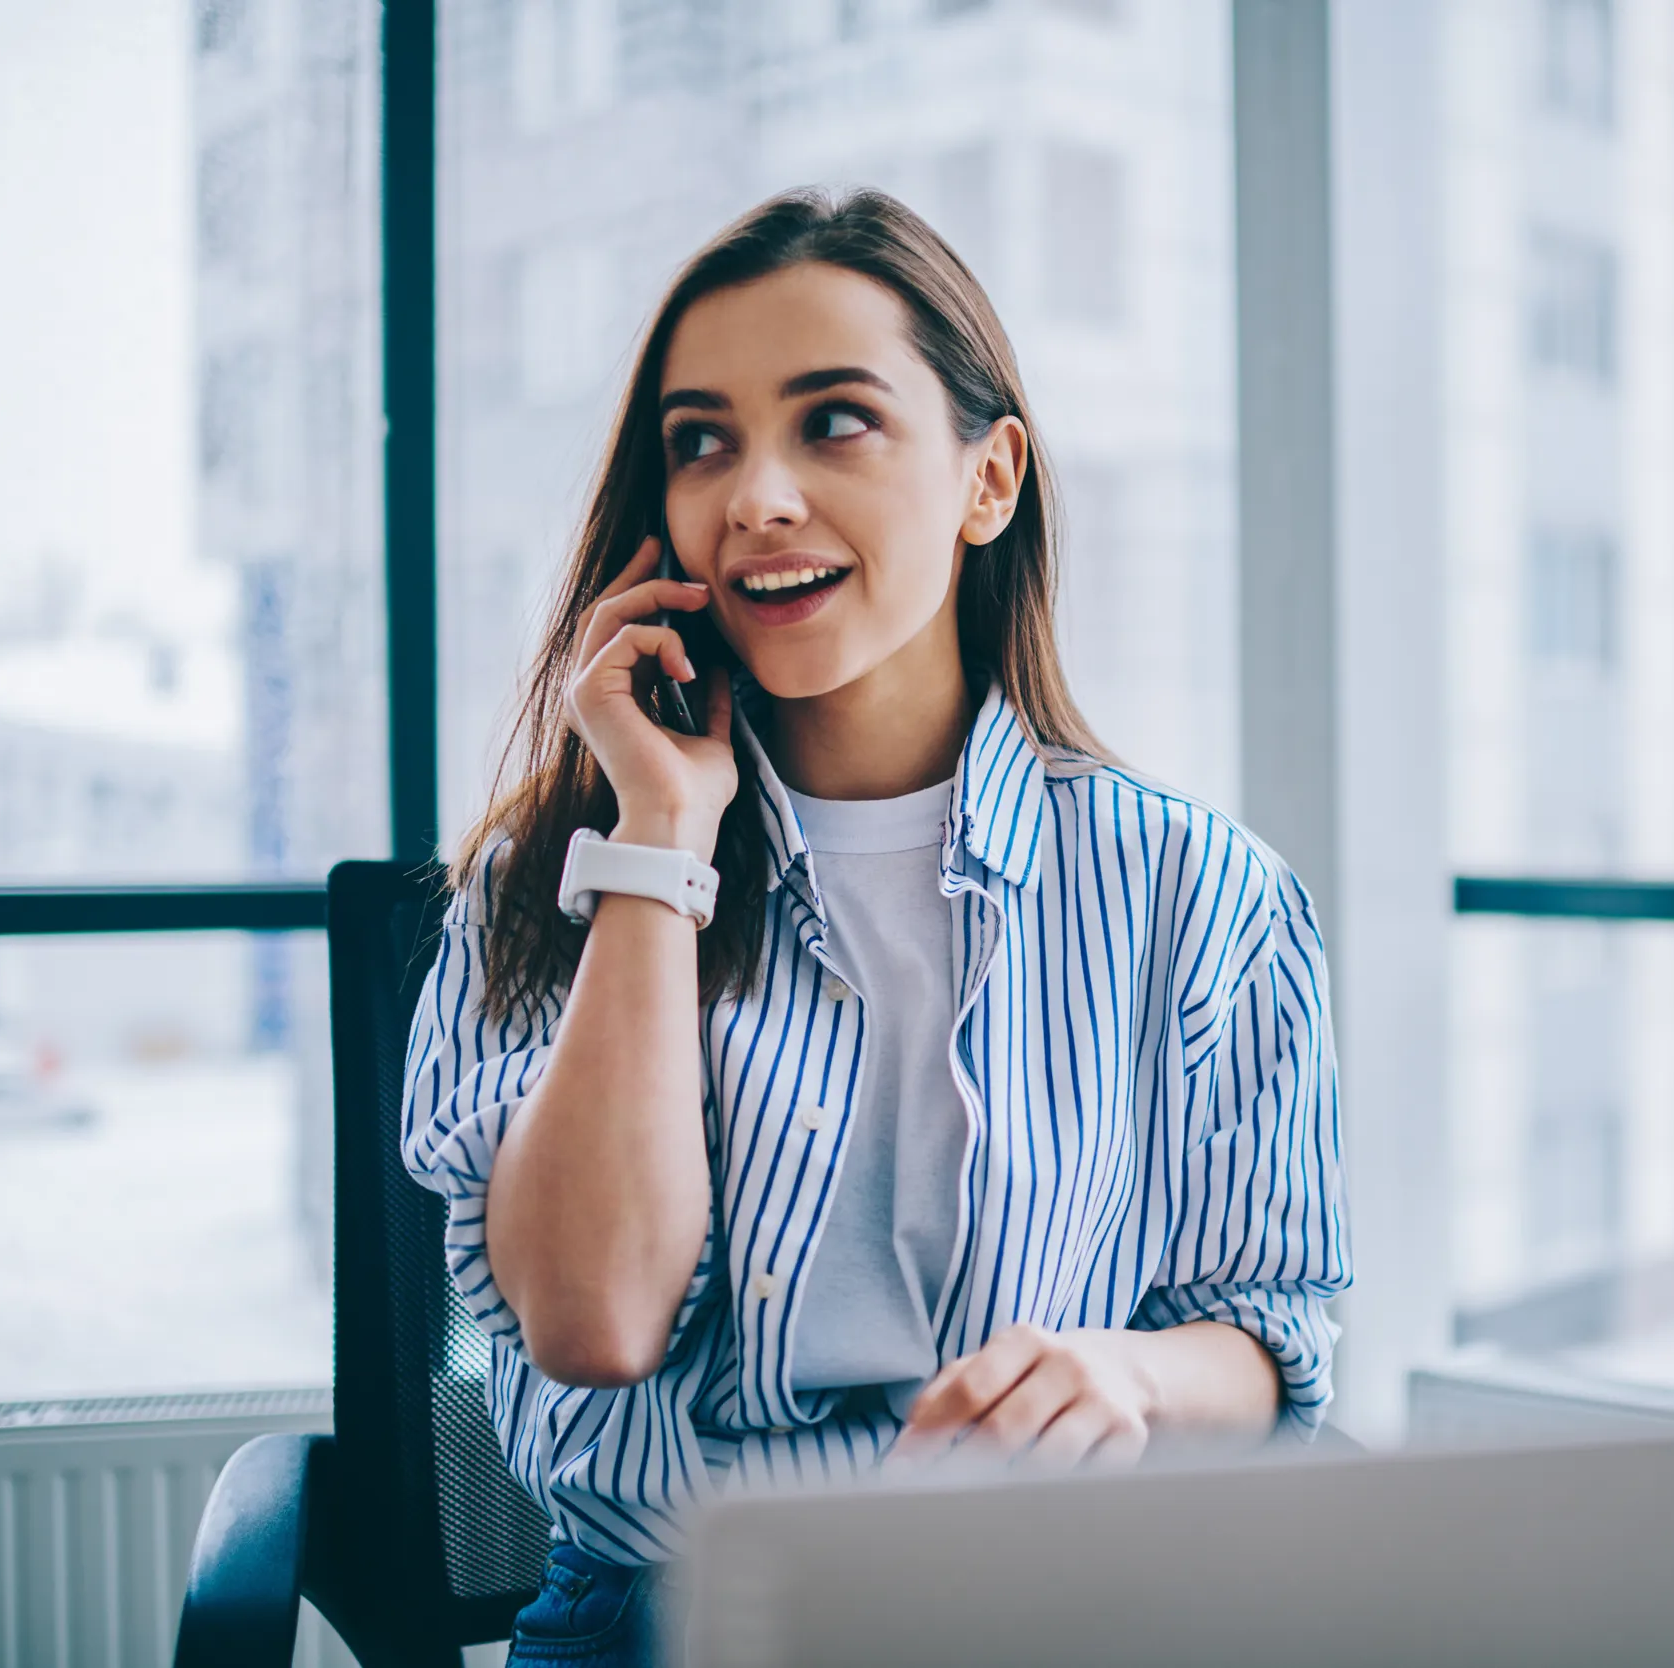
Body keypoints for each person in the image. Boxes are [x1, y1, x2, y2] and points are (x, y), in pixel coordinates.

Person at [401, 187, 1350, 1667]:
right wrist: (657, 834)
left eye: (834, 421)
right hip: (664, 1620)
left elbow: (1269, 1333)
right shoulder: (554, 876)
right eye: (699, 441)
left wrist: (1132, 1379)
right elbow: (591, 1321)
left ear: (990, 479)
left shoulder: (1203, 897)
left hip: (1048, 1614)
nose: (754, 498)